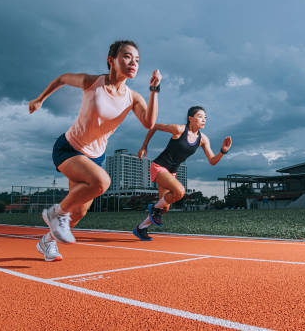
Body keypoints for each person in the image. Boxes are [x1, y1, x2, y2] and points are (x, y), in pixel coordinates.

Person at [29, 40, 161, 261]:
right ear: (112, 60)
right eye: (127, 57)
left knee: (79, 213)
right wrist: (40, 99)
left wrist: (154, 90)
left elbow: (149, 123)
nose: (133, 63)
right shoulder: (93, 82)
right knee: (101, 182)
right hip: (69, 149)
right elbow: (62, 78)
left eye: (137, 60)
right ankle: (55, 213)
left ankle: (47, 242)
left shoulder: (132, 98)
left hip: (94, 158)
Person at [132, 106, 232, 241]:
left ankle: (141, 228)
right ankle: (154, 208)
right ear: (190, 118)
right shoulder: (178, 129)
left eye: (205, 118)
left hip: (171, 173)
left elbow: (212, 161)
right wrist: (144, 146)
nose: (204, 120)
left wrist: (223, 151)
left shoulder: (203, 139)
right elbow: (154, 126)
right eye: (200, 116)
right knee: (180, 191)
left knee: (164, 208)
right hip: (159, 166)